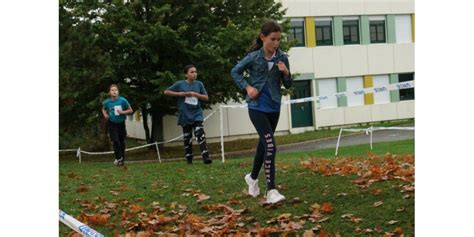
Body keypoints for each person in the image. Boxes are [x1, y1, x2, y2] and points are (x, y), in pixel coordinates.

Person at [231, 20, 292, 204]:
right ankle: (271, 190)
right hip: (256, 107)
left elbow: (288, 84)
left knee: (263, 144)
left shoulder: (282, 58)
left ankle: (252, 178)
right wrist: (247, 87)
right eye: (273, 39)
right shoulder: (253, 57)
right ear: (263, 37)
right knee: (271, 146)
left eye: (278, 39)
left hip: (274, 106)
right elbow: (235, 71)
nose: (276, 43)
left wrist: (286, 73)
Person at [164, 65, 212, 165]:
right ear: (186, 74)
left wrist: (195, 94)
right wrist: (181, 94)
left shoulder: (199, 84)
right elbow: (166, 92)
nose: (194, 74)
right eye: (192, 72)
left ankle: (205, 157)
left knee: (200, 133)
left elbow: (206, 97)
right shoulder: (180, 84)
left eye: (195, 72)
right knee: (187, 137)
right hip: (185, 114)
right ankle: (189, 158)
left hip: (197, 113)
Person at [101, 84, 133, 166]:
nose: (114, 91)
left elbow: (130, 110)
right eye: (112, 90)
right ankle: (119, 158)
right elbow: (103, 109)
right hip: (112, 123)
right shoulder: (107, 102)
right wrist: (105, 115)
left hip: (121, 123)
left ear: (118, 92)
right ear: (109, 92)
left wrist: (122, 112)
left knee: (121, 142)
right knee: (115, 140)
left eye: (116, 90)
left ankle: (121, 159)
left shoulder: (123, 100)